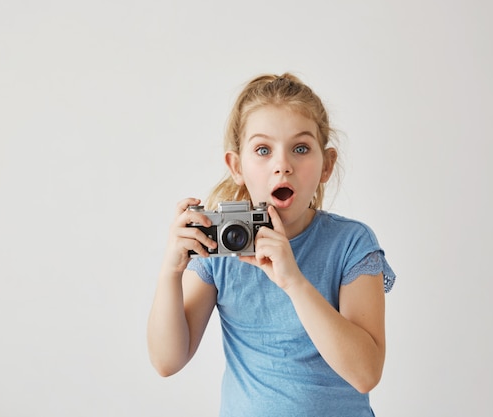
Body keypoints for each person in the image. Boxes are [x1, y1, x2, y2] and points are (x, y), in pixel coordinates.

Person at [147, 73, 396, 417]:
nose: (283, 166)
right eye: (263, 150)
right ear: (237, 166)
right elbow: (166, 361)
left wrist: (293, 281)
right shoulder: (220, 251)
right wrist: (169, 273)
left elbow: (366, 374)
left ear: (327, 166)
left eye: (301, 149)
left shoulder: (350, 243)